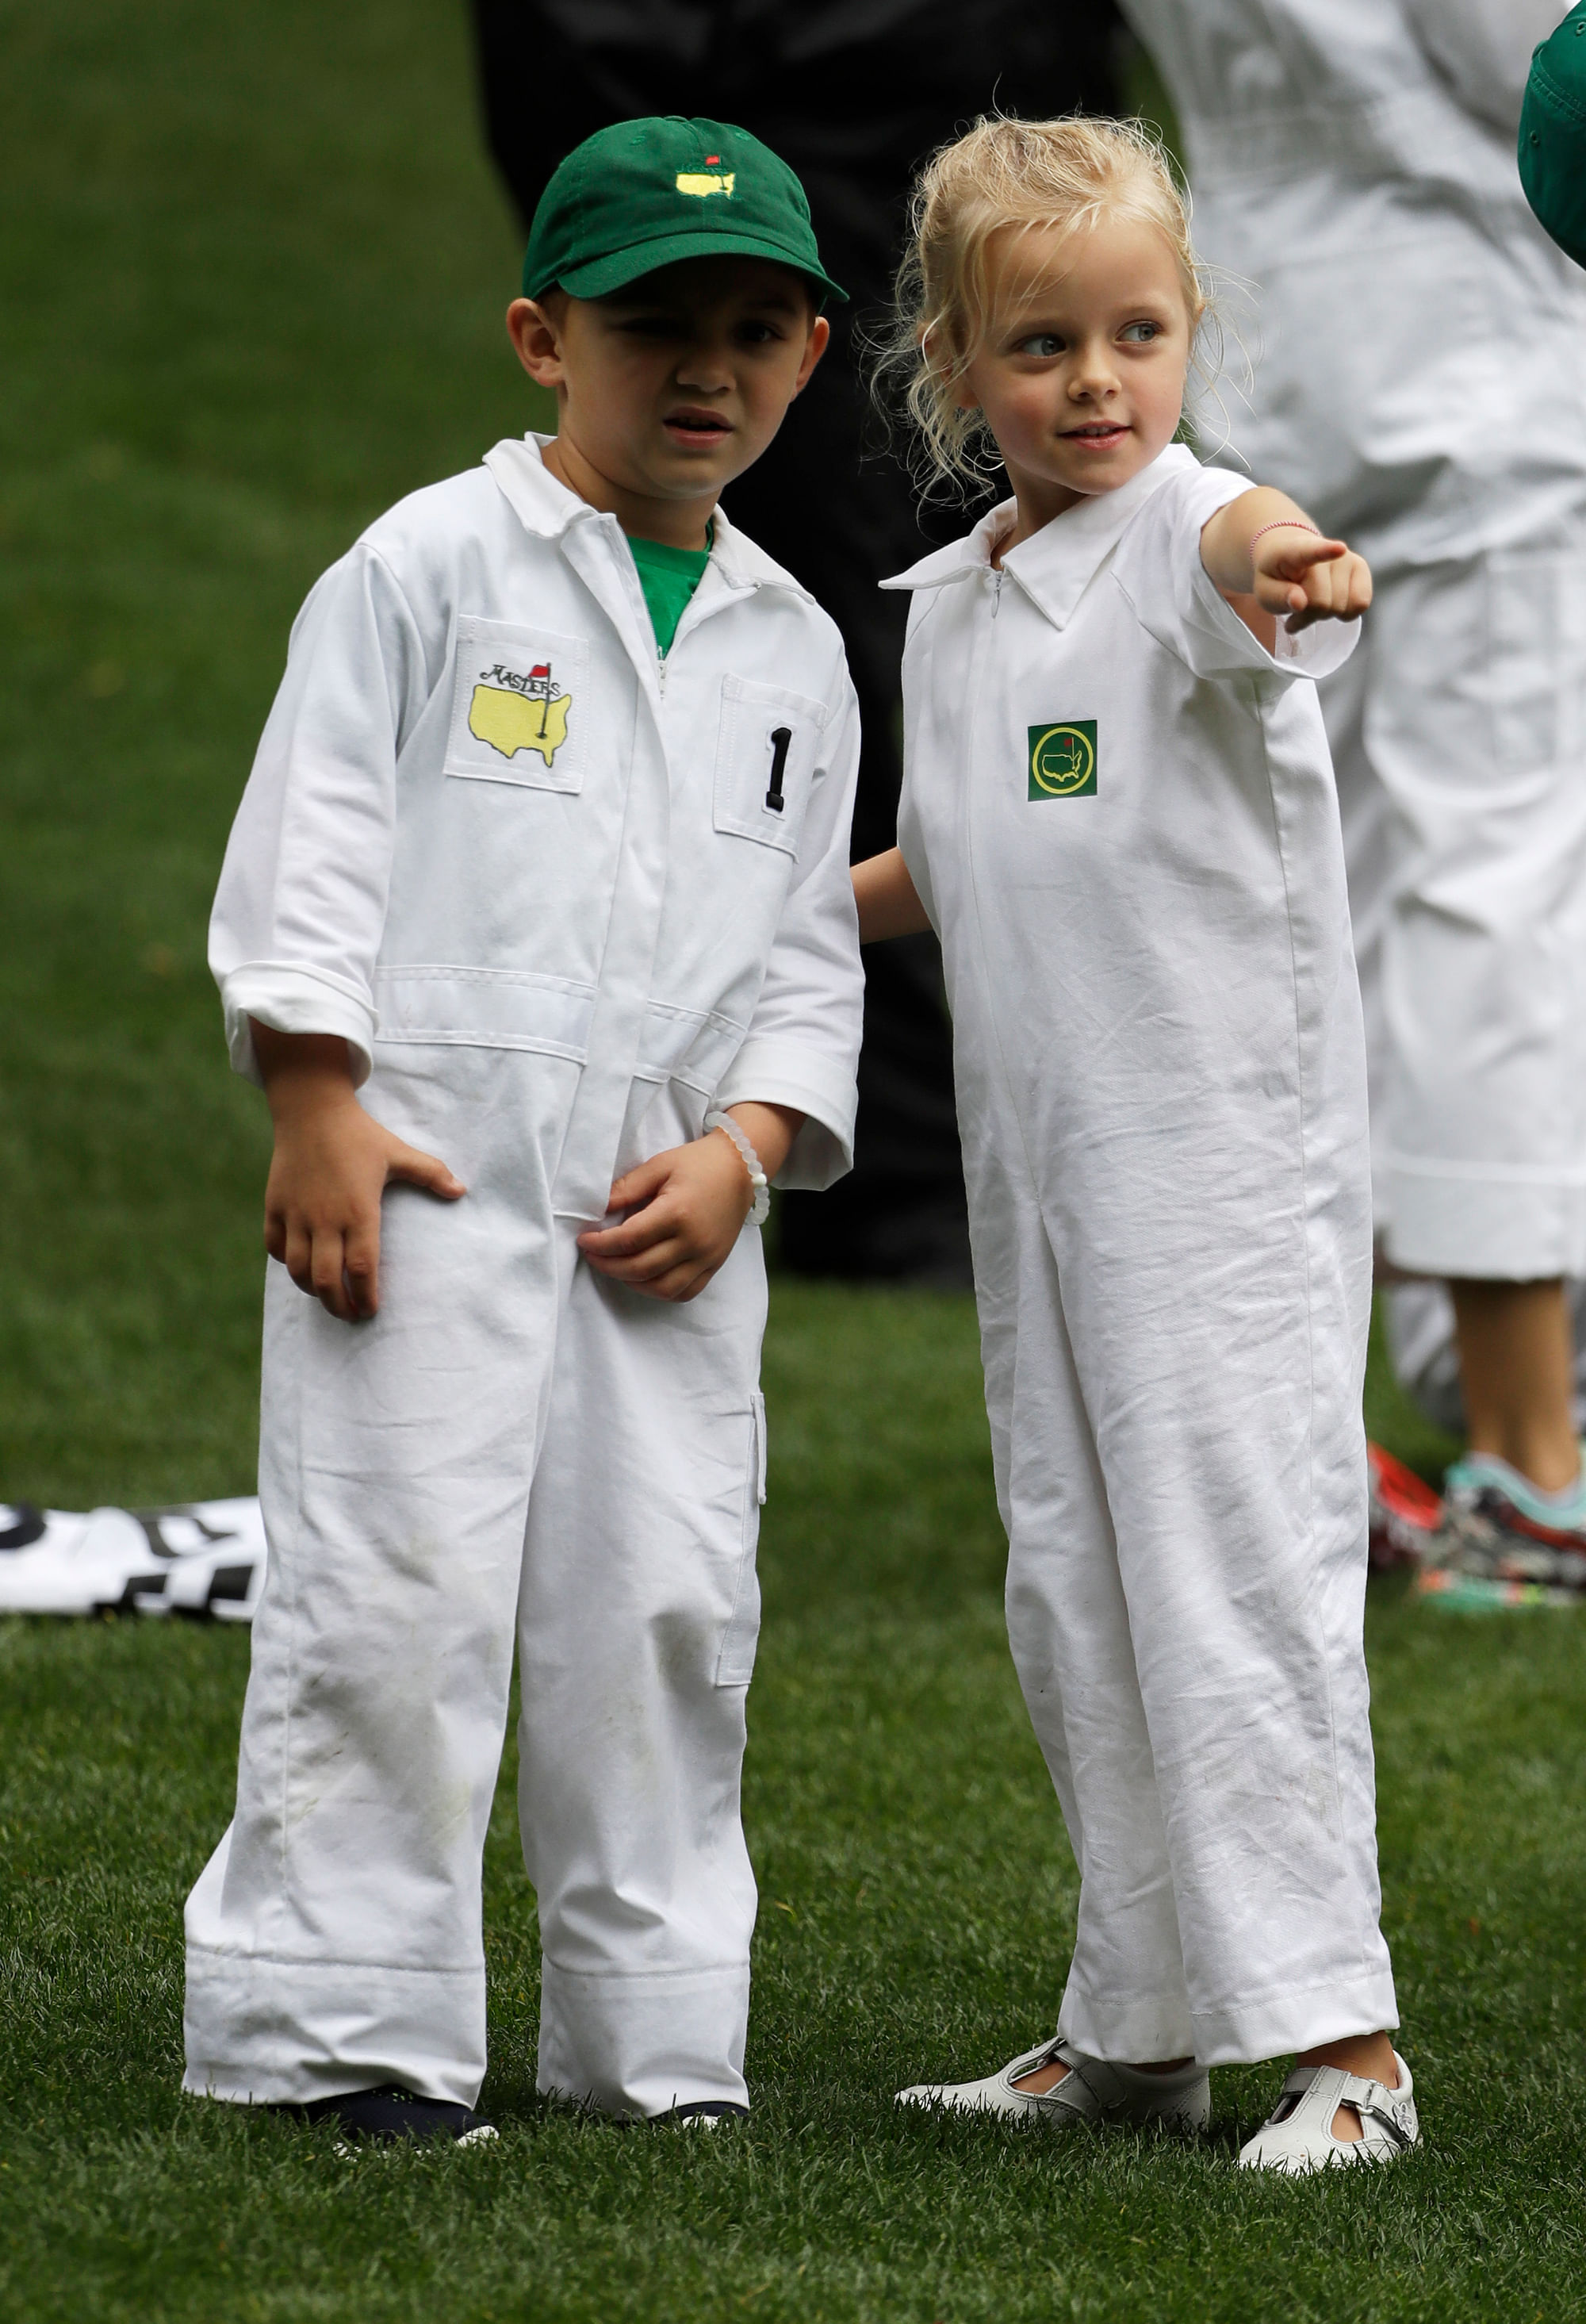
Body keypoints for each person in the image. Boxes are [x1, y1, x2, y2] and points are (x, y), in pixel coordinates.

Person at [182, 117, 864, 2146]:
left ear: (813, 355)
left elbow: (810, 948)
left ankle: (648, 2044)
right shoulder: (426, 565)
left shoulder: (799, 651)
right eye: (654, 325)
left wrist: (749, 1143)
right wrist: (314, 1094)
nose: (706, 371)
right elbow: (311, 837)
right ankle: (343, 2033)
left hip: (666, 1221)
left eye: (755, 327)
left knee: (662, 1610)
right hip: (421, 1180)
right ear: (539, 336)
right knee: (393, 1595)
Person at [854, 116, 1419, 2173]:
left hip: (1220, 1180)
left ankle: (1347, 2049)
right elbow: (965, 847)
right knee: (1074, 1576)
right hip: (1046, 1177)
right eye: (1043, 343)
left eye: (1140, 332)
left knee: (1231, 1571)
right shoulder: (956, 602)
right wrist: (772, 910)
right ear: (953, 358)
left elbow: (1244, 551)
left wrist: (1294, 562)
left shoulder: (1194, 532)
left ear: (1190, 337)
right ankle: (1140, 2029)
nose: (1099, 381)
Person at [468, 2, 1122, 1283]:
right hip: (790, 128)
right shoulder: (435, 569)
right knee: (857, 629)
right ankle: (884, 1170)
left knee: (976, 622)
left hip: (974, 121)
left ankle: (934, 1144)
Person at [1121, 0, 1586, 1597]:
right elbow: (1536, 66)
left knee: (1342, 889)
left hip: (1267, 348)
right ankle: (1534, 1468)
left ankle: (1411, 1417)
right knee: (1487, 892)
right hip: (1483, 349)